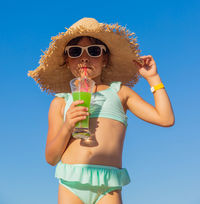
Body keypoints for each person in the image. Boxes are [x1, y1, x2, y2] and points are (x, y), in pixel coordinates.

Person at [28, 17, 175, 204]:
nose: (84, 57)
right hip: (71, 183)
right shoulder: (60, 102)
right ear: (67, 60)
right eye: (75, 52)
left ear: (104, 58)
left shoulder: (120, 93)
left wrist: (153, 79)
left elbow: (166, 119)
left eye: (94, 51)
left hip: (109, 185)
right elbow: (51, 157)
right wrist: (67, 126)